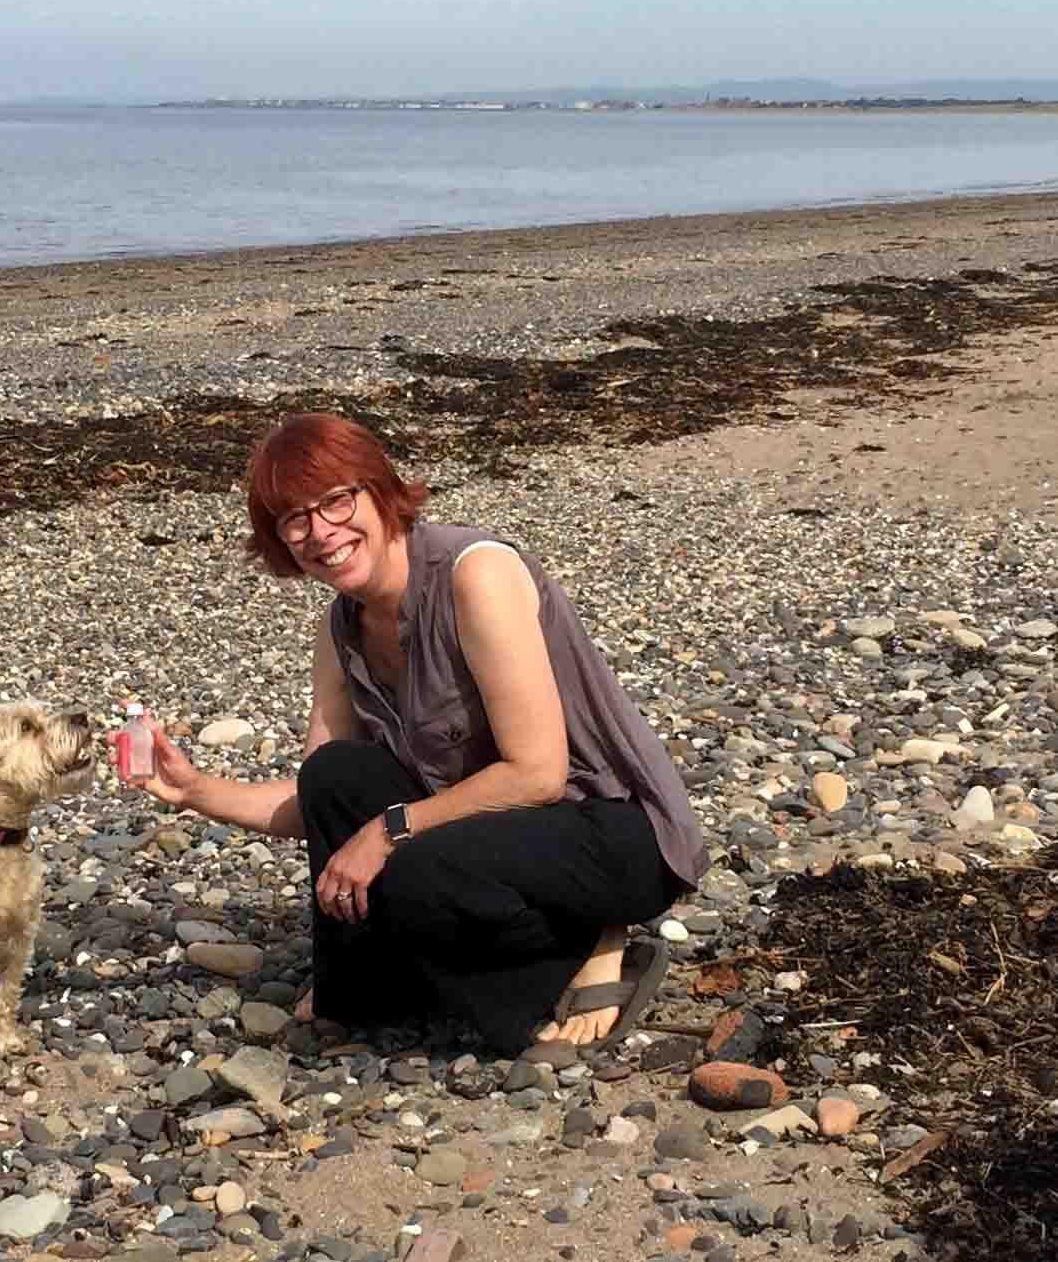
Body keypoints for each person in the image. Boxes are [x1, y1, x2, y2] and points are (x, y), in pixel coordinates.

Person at [121, 412, 708, 1057]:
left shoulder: (474, 574)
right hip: (492, 839)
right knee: (337, 774)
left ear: (380, 490)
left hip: (606, 831)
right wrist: (197, 788)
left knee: (411, 868)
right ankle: (377, 982)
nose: (322, 533)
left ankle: (577, 954)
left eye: (337, 501)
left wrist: (388, 830)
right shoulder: (341, 629)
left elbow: (538, 773)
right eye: (295, 519)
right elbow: (317, 805)